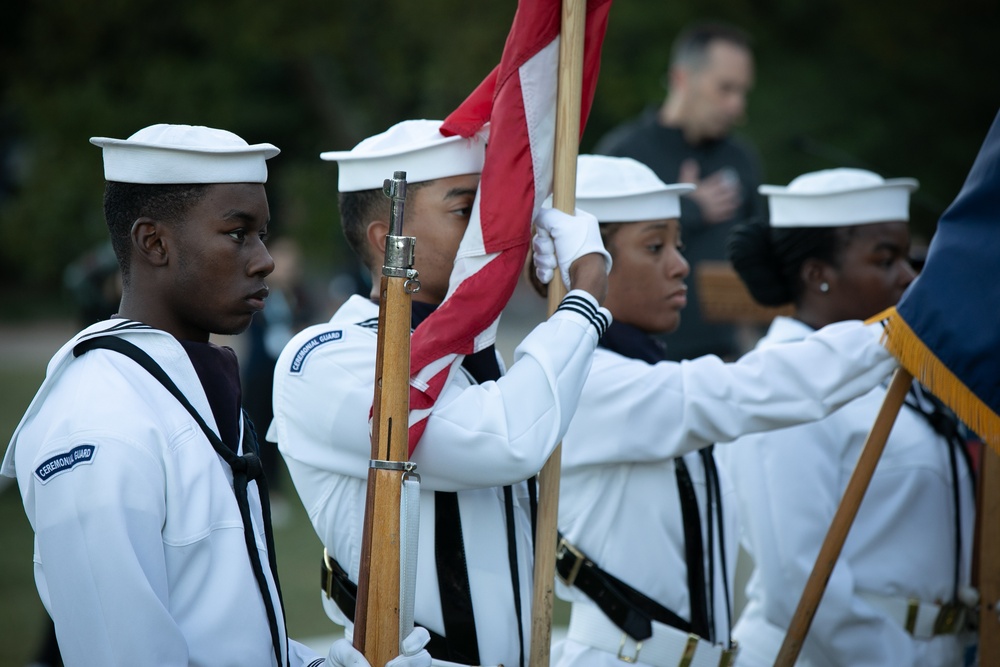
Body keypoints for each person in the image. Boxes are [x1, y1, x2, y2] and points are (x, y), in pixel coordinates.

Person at [1, 123, 428, 667]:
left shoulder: (179, 386)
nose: (264, 259)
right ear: (153, 242)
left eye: (262, 234)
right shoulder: (101, 422)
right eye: (237, 233)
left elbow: (229, 632)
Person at [268, 119, 612, 667]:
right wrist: (586, 296)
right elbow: (503, 441)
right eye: (464, 210)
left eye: (493, 210)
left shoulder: (478, 352)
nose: (490, 232)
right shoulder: (331, 357)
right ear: (388, 241)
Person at [546, 155, 901, 667]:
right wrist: (895, 335)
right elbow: (737, 390)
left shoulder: (635, 373)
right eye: (654, 246)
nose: (680, 264)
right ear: (584, 264)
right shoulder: (584, 379)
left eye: (678, 244)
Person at [721, 168, 977, 666]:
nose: (909, 277)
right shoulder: (780, 383)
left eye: (908, 257)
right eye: (886, 259)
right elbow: (797, 582)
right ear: (818, 274)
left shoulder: (899, 372)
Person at [594, 21, 762, 361]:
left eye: (743, 92)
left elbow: (758, 256)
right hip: (633, 357)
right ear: (682, 79)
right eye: (725, 89)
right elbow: (590, 247)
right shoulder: (625, 154)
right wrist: (687, 209)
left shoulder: (740, 160)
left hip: (722, 359)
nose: (736, 106)